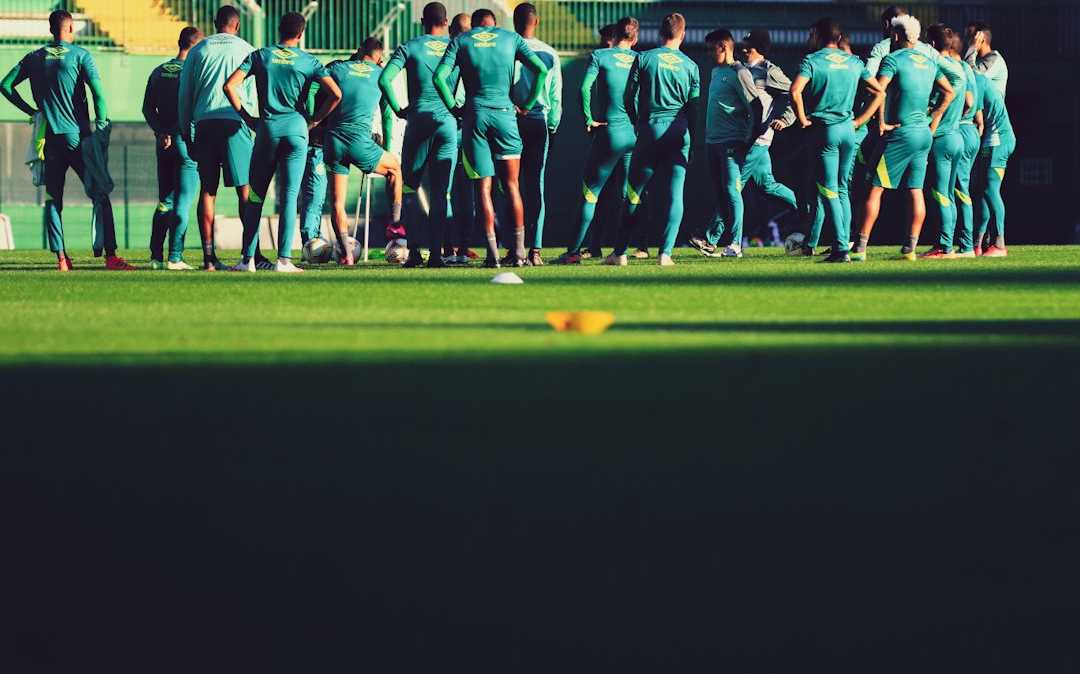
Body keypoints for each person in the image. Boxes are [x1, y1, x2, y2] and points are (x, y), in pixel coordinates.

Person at [0, 10, 134, 271]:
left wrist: (32, 111)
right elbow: (98, 96)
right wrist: (103, 126)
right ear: (70, 28)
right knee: (100, 194)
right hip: (79, 138)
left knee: (53, 198)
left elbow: (5, 85)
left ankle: (62, 259)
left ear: (51, 30)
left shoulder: (34, 57)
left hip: (50, 139)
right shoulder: (81, 55)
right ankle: (110, 257)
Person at [223, 11, 341, 272]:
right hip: (298, 131)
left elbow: (230, 86)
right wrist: (315, 121)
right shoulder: (309, 61)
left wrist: (248, 118)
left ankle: (247, 260)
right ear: (301, 33)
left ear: (278, 29)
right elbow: (336, 93)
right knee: (289, 197)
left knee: (255, 196)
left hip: (267, 130)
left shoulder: (260, 55)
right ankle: (284, 260)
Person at [432, 7, 549, 268]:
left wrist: (454, 107)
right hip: (506, 114)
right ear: (494, 24)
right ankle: (519, 254)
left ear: (474, 25)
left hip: (475, 117)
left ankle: (493, 255)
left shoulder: (462, 40)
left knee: (483, 189)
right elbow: (541, 69)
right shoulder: (510, 38)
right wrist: (528, 104)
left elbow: (438, 77)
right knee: (512, 186)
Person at [851, 14, 955, 262]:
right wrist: (934, 115)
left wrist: (879, 122)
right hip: (923, 135)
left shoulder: (893, 59)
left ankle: (859, 249)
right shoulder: (929, 61)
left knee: (875, 189)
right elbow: (949, 91)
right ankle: (910, 250)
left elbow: (878, 89)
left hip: (901, 133)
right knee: (915, 190)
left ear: (895, 36)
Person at [604, 13, 700, 267]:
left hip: (650, 129)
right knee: (674, 194)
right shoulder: (691, 66)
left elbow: (628, 97)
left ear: (660, 33)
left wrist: (639, 122)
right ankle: (665, 254)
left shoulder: (645, 58)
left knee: (634, 193)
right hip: (679, 132)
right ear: (683, 34)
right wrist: (693, 139)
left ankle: (620, 254)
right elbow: (694, 108)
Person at [178, 5, 265, 271]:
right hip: (235, 123)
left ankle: (208, 257)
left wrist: (186, 132)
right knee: (245, 190)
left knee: (208, 190)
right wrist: (254, 125)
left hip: (204, 125)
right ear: (237, 25)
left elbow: (185, 95)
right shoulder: (247, 50)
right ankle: (251, 255)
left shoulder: (198, 51)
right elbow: (254, 92)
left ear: (215, 22)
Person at [790, 18, 884, 263]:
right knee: (842, 189)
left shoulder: (812, 61)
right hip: (848, 131)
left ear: (819, 36)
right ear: (839, 38)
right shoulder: (854, 62)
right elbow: (879, 92)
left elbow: (795, 91)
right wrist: (860, 120)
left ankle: (841, 248)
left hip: (826, 130)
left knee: (828, 189)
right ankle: (848, 245)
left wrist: (801, 118)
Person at [379, 2, 459, 268]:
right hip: (447, 123)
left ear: (422, 21)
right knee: (440, 193)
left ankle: (413, 252)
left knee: (411, 189)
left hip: (418, 122)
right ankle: (437, 255)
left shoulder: (410, 46)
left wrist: (399, 110)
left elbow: (384, 79)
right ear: (446, 22)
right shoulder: (456, 46)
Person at [553, 16, 639, 265]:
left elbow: (583, 89)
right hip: (633, 134)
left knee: (590, 193)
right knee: (627, 195)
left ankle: (572, 253)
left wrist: (589, 119)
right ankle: (620, 252)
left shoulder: (600, 56)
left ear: (616, 35)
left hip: (609, 132)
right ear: (635, 38)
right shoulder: (640, 60)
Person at [318, 39, 400, 266]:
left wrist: (316, 121)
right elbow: (386, 116)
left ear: (358, 51)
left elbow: (316, 88)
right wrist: (386, 148)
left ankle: (345, 254)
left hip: (333, 140)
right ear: (379, 57)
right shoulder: (381, 75)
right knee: (395, 169)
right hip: (359, 142)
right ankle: (395, 229)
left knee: (337, 202)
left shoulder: (337, 68)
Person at [687, 29, 757, 260]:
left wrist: (748, 139)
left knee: (731, 190)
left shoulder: (739, 73)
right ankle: (713, 241)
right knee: (720, 193)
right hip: (712, 143)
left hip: (732, 143)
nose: (708, 53)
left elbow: (755, 107)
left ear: (724, 47)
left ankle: (736, 243)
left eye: (711, 48)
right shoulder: (716, 72)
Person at [142, 26, 204, 270]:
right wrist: (177, 132)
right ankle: (175, 257)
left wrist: (161, 131)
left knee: (165, 200)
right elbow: (191, 109)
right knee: (183, 201)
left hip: (163, 143)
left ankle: (156, 256)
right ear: (196, 46)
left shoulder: (158, 72)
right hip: (185, 142)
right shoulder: (192, 72)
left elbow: (147, 109)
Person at [511, 3, 562, 266]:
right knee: (536, 186)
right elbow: (556, 97)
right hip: (539, 122)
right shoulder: (549, 52)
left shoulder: (507, 48)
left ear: (514, 22)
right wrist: (552, 127)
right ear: (537, 22)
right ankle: (535, 251)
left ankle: (512, 248)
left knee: (509, 185)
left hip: (510, 121)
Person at [737, 30, 799, 238]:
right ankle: (808, 210)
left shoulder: (769, 70)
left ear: (760, 49)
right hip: (744, 138)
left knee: (733, 185)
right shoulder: (741, 68)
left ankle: (710, 236)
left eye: (750, 46)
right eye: (744, 43)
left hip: (757, 138)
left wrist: (785, 119)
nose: (744, 48)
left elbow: (794, 93)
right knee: (767, 185)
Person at [920, 25, 969, 259]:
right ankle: (948, 243)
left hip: (942, 138)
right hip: (958, 135)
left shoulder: (939, 66)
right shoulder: (962, 67)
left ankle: (944, 246)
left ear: (931, 43)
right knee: (948, 194)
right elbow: (970, 100)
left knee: (941, 194)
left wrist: (931, 113)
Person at [972, 71, 1014, 257]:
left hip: (998, 141)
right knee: (983, 191)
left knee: (990, 190)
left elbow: (977, 120)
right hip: (991, 141)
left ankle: (999, 244)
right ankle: (977, 245)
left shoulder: (978, 81)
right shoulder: (975, 79)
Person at [953, 31, 984, 257]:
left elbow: (969, 102)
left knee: (958, 189)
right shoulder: (969, 70)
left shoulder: (956, 68)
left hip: (962, 129)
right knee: (959, 187)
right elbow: (978, 110)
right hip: (971, 130)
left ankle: (964, 245)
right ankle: (958, 243)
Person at [964, 22, 1007, 99]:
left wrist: (972, 48)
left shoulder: (994, 59)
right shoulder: (974, 58)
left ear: (981, 39)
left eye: (969, 37)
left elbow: (974, 77)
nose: (966, 40)